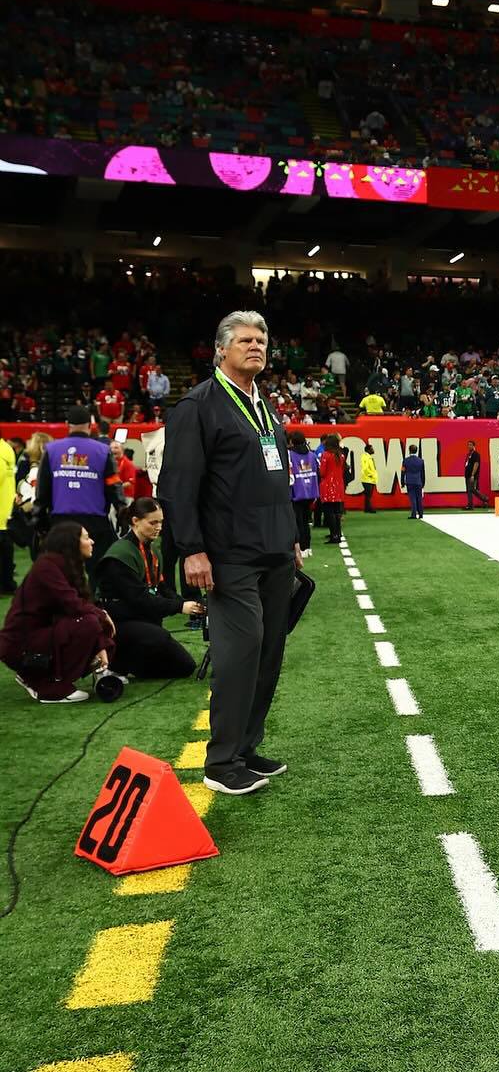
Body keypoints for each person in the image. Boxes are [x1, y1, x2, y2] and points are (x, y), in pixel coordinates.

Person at [160, 310, 302, 796]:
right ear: (221, 349)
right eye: (244, 339)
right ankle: (220, 763)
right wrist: (192, 551)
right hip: (229, 556)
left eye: (261, 339)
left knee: (267, 655)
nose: (256, 346)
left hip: (274, 553)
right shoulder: (198, 406)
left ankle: (245, 749)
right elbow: (177, 486)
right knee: (240, 655)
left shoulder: (265, 407)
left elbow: (278, 481)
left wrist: (293, 538)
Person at [0, 522, 114, 703]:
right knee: (88, 623)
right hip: (21, 644)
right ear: (71, 543)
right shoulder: (47, 565)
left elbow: (79, 606)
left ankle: (43, 677)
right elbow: (73, 604)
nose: (92, 541)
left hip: (39, 636)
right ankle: (43, 684)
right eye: (86, 538)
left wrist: (100, 643)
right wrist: (102, 616)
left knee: (93, 622)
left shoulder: (67, 566)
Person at [94, 497, 199, 680]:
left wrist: (189, 603)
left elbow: (161, 588)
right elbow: (139, 598)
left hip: (140, 618)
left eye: (161, 522)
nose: (158, 527)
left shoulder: (151, 550)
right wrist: (180, 607)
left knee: (185, 666)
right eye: (153, 522)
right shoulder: (120, 555)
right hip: (118, 622)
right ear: (135, 521)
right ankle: (116, 661)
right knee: (158, 638)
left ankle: (131, 663)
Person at [34, 408, 124, 567]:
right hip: (95, 520)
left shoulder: (52, 450)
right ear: (90, 426)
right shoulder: (103, 451)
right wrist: (122, 511)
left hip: (60, 520)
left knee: (62, 568)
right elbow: (113, 485)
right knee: (98, 570)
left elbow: (43, 489)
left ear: (67, 424)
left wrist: (39, 520)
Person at [289, 431, 319, 555]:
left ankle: (300, 548)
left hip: (297, 492)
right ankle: (307, 548)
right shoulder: (312, 455)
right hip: (310, 492)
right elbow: (317, 471)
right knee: (306, 522)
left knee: (298, 522)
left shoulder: (290, 455)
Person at [316, 434, 347, 544]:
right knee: (337, 512)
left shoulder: (326, 455)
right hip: (338, 485)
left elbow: (322, 472)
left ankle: (333, 535)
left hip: (328, 486)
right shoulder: (341, 455)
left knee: (329, 512)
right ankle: (337, 533)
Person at [0, 429, 16, 594]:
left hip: (1, 511)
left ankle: (5, 584)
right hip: (5, 510)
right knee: (6, 551)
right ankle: (7, 583)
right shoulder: (6, 448)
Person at [401, 445, 426, 519]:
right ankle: (421, 514)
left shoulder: (405, 460)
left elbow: (403, 472)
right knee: (419, 498)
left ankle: (414, 514)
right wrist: (423, 483)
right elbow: (423, 473)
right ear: (416, 450)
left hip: (410, 481)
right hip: (418, 481)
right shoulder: (421, 461)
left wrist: (402, 482)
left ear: (409, 450)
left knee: (413, 498)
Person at [462, 441, 483, 509]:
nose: (469, 446)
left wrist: (472, 475)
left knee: (472, 489)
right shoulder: (468, 454)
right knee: (469, 490)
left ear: (474, 446)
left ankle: (485, 499)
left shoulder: (476, 454)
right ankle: (470, 504)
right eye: (468, 445)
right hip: (467, 475)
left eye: (470, 445)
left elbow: (476, 464)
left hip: (472, 475)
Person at [359, 442, 379, 513]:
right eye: (372, 449)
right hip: (367, 479)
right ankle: (369, 508)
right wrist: (372, 475)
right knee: (368, 495)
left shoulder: (369, 457)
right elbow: (365, 469)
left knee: (368, 495)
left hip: (370, 479)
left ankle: (367, 508)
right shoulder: (365, 457)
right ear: (368, 450)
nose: (373, 450)